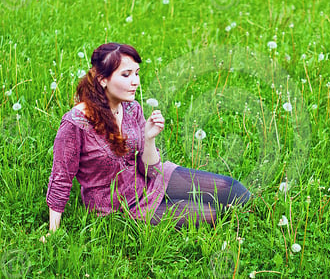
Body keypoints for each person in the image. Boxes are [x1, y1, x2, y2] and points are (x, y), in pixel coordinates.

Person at [45, 42, 251, 233]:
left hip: (150, 181)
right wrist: (52, 233)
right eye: (126, 75)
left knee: (234, 191)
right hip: (121, 204)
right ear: (103, 80)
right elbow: (60, 178)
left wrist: (149, 138)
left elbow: (150, 170)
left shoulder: (132, 108)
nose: (135, 81)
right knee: (213, 214)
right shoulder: (75, 124)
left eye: (136, 73)